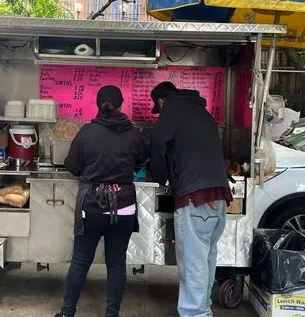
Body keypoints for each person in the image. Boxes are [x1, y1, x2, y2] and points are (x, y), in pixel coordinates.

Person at [54, 85, 149, 317]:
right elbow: (142, 161)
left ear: (98, 105)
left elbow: (73, 166)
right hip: (124, 205)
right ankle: (112, 314)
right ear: (121, 104)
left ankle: (67, 313)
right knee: (116, 265)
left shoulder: (87, 132)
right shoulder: (133, 133)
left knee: (80, 261)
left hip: (93, 207)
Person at [149, 81, 232, 317]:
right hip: (218, 196)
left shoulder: (172, 109)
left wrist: (161, 176)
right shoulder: (201, 111)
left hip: (195, 198)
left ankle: (195, 314)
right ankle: (202, 309)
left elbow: (157, 143)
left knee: (193, 263)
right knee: (206, 259)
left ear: (161, 101)